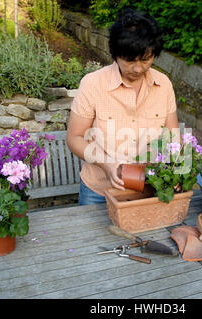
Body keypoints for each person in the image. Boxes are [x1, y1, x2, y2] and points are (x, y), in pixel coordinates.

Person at [67, 8, 180, 206]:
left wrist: (176, 170)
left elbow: (173, 138)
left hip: (149, 189)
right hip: (99, 192)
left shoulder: (164, 85)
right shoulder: (93, 84)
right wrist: (108, 165)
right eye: (129, 60)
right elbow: (74, 138)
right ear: (115, 54)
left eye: (145, 60)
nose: (137, 69)